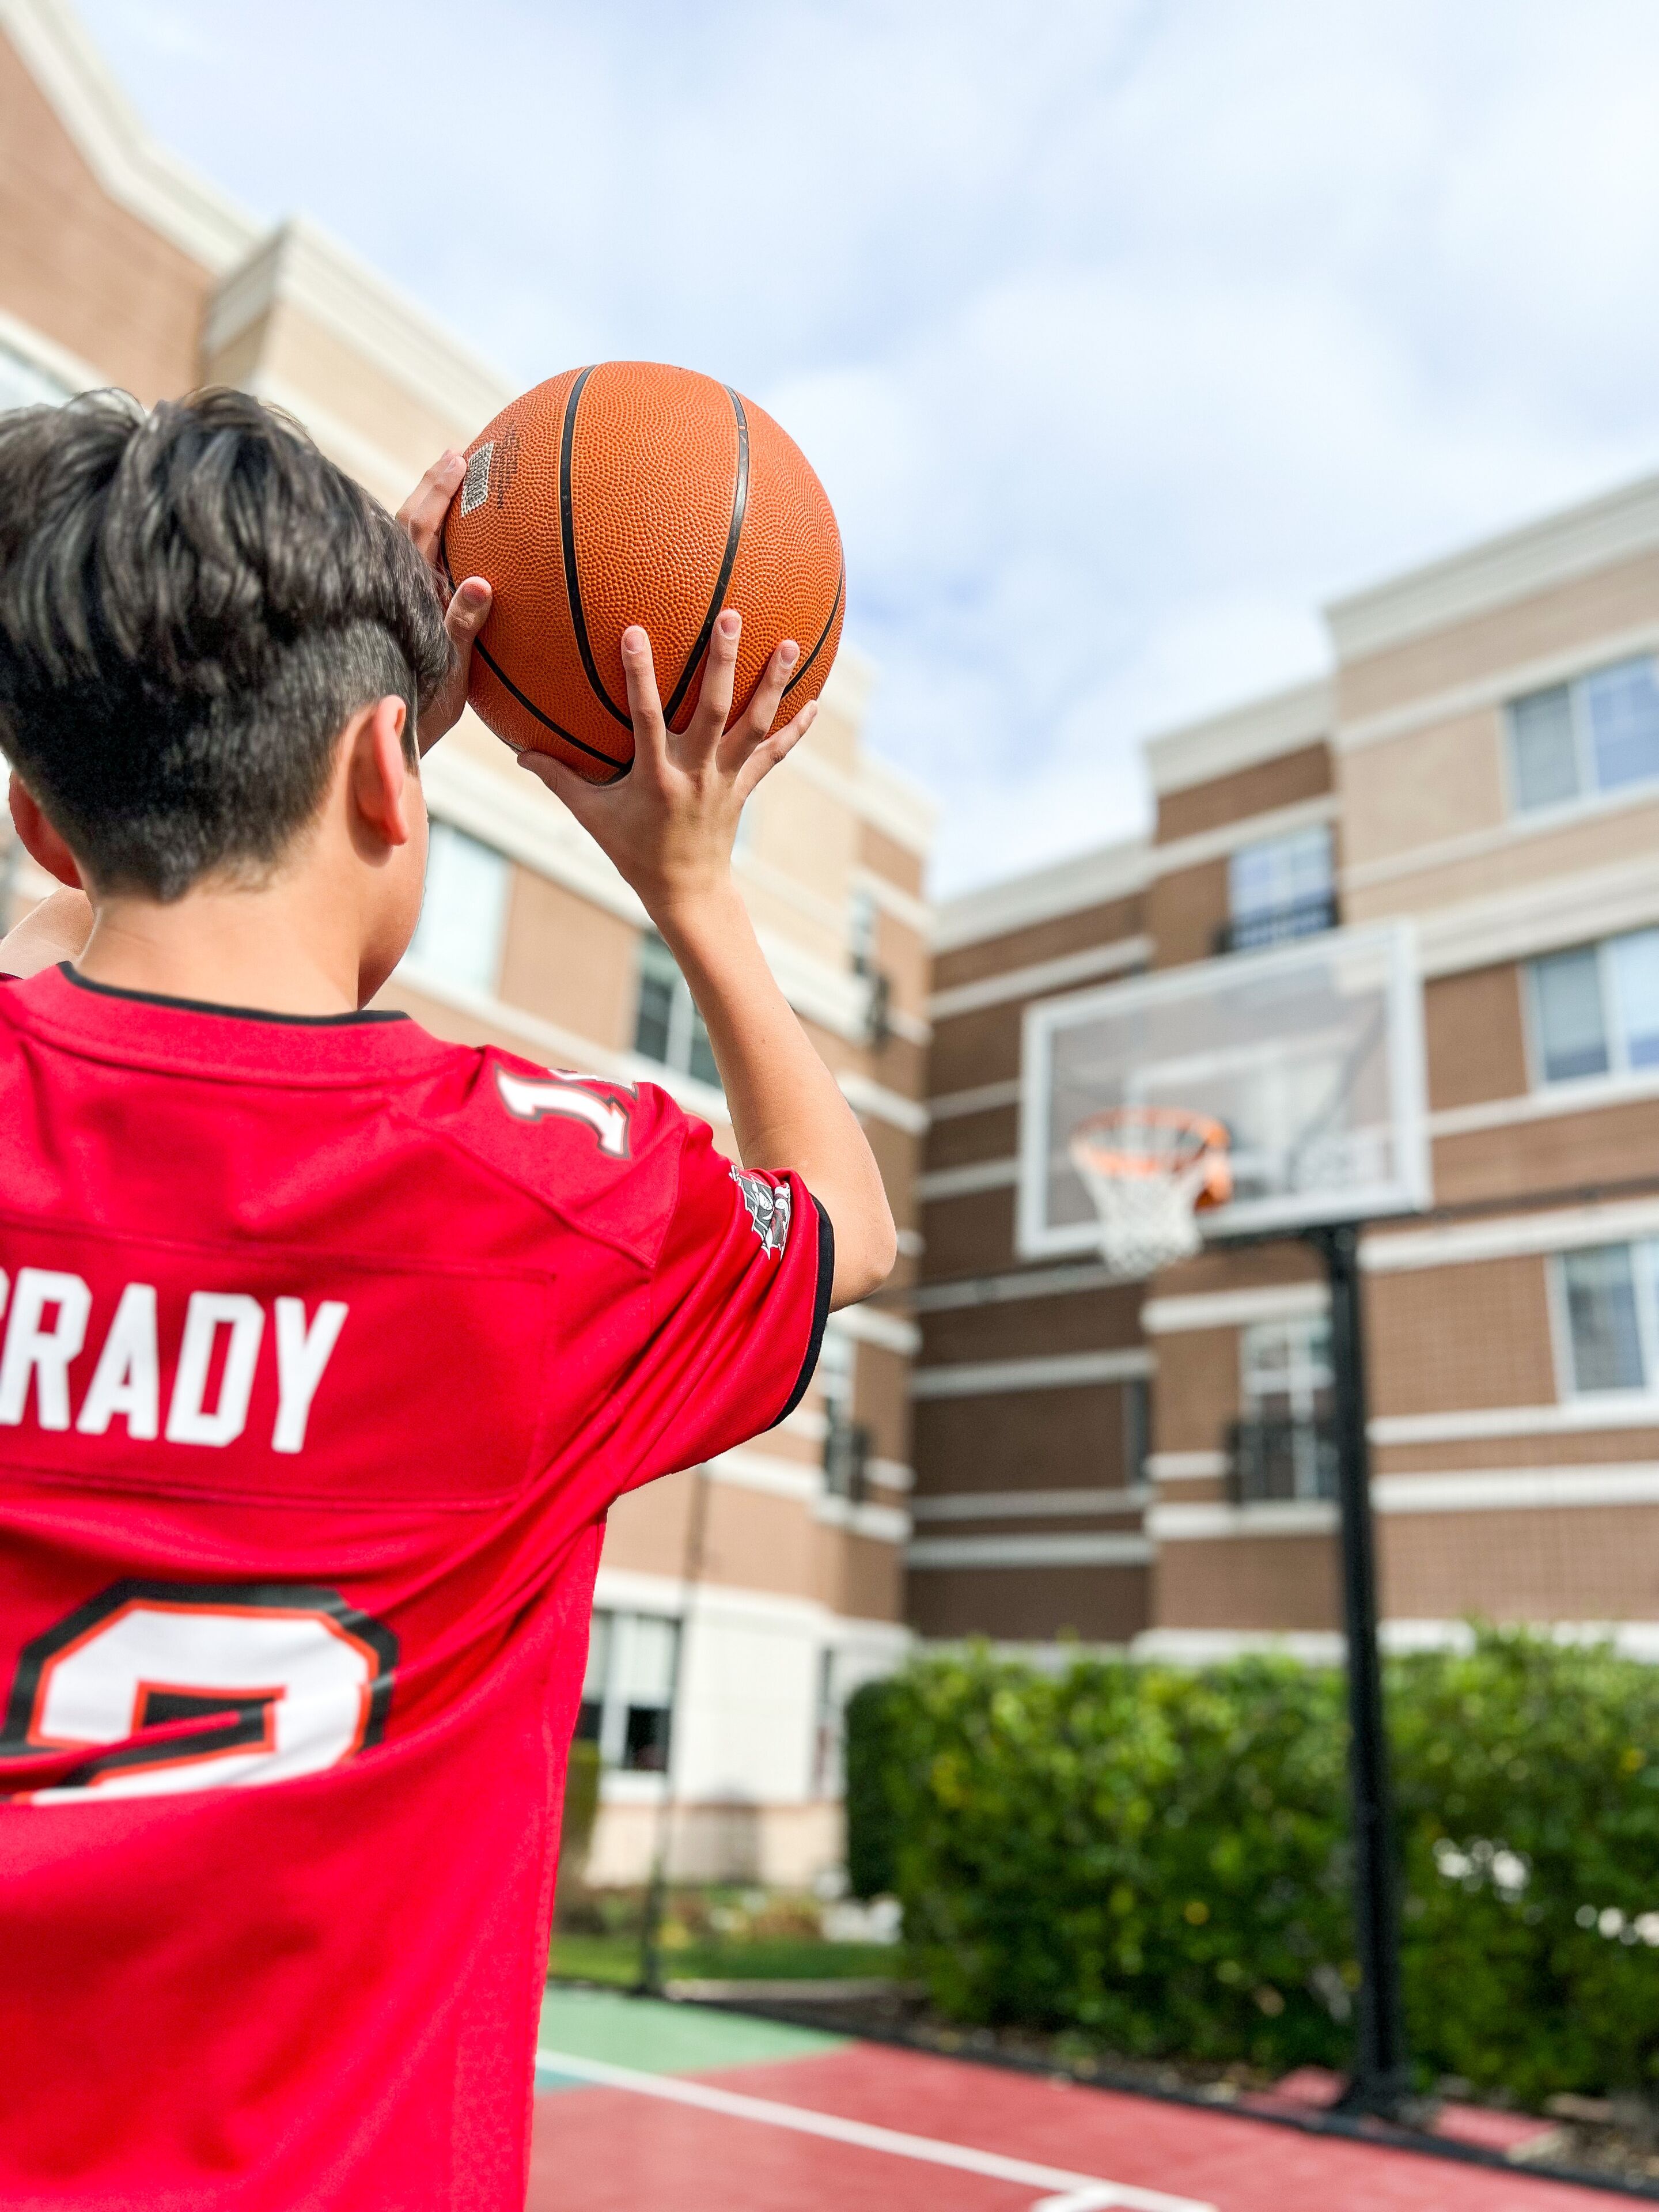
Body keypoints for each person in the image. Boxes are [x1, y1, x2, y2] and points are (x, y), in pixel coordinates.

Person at [0, 388, 895, 2209]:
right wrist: (690, 880)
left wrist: (356, 717)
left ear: (42, 828)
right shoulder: (547, 1204)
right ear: (396, 781)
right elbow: (842, 1225)